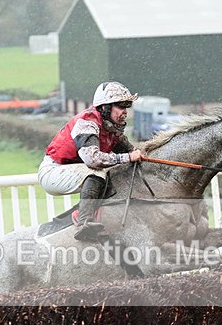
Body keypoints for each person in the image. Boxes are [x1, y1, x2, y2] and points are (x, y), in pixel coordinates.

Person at [38, 81, 143, 241]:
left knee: (112, 173)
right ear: (105, 107)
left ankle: (81, 214)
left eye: (127, 107)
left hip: (71, 169)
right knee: (97, 172)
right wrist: (127, 157)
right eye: (120, 106)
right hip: (53, 171)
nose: (125, 112)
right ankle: (84, 223)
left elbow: (134, 152)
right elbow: (93, 159)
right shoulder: (87, 122)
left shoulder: (111, 128)